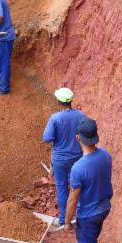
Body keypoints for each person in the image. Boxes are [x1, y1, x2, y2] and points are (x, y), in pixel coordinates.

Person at [65, 118, 113, 243]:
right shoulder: (105, 155)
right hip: (104, 207)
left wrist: (68, 221)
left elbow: (72, 200)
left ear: (78, 138)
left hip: (89, 214)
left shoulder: (78, 168)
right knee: (89, 240)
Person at [42, 88, 87, 229]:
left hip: (60, 159)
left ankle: (63, 220)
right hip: (77, 157)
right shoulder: (81, 115)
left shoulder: (55, 118)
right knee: (76, 187)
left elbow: (47, 138)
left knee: (61, 188)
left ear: (58, 101)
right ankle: (79, 218)